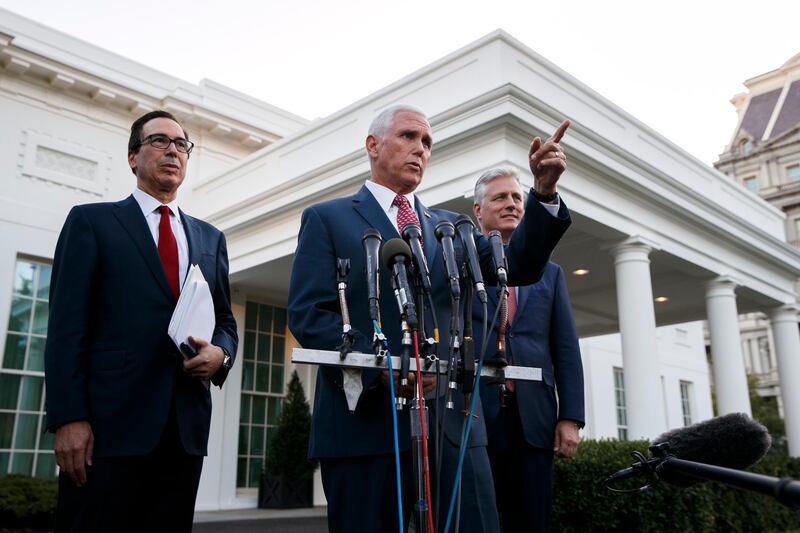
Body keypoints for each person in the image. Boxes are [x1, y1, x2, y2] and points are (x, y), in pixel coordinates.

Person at [288, 104, 572, 532]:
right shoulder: (327, 219)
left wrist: (544, 195)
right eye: (408, 137)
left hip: (453, 427)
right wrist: (378, 367)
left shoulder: (451, 228)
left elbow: (516, 267)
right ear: (373, 145)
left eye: (427, 142)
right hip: (365, 427)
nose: (420, 149)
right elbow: (310, 314)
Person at [44, 110, 238, 533]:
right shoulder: (91, 222)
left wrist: (221, 353)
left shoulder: (210, 238)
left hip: (183, 432)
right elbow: (65, 328)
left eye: (182, 144)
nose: (173, 150)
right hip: (107, 432)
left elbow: (225, 319)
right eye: (159, 141)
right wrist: (68, 418)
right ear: (133, 157)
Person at [472, 167, 585, 532]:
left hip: (534, 421)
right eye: (500, 197)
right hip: (477, 419)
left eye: (517, 197)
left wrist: (570, 417)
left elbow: (565, 348)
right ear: (478, 210)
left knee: (532, 521)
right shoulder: (461, 266)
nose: (511, 204)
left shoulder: (551, 274)